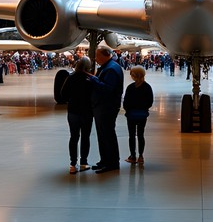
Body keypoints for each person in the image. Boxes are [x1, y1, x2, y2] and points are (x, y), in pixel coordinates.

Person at [89, 45, 124, 173]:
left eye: (97, 56)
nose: (95, 58)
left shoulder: (111, 69)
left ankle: (112, 162)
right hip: (102, 106)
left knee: (107, 135)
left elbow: (107, 89)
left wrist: (93, 79)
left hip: (107, 107)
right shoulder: (108, 67)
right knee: (102, 135)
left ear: (104, 55)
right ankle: (104, 160)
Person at [61, 57, 94, 174]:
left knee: (74, 137)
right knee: (85, 137)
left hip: (73, 111)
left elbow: (62, 95)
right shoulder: (90, 79)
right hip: (87, 112)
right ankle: (84, 162)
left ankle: (73, 164)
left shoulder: (71, 78)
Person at [123, 65, 154, 166]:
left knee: (131, 135)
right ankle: (141, 156)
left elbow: (126, 102)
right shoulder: (147, 87)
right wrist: (143, 108)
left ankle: (133, 155)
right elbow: (150, 102)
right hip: (142, 114)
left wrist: (129, 109)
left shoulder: (131, 87)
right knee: (140, 135)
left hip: (131, 114)